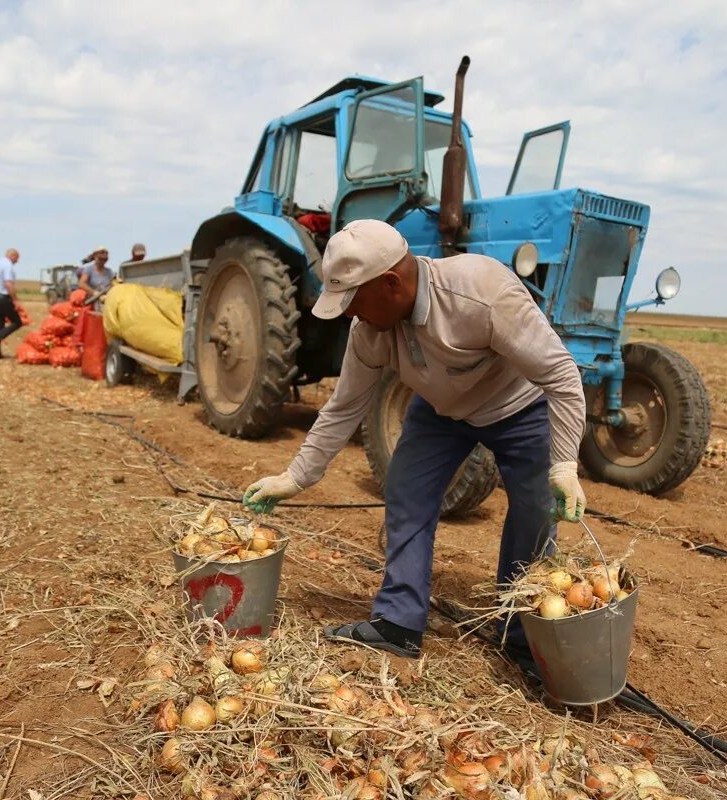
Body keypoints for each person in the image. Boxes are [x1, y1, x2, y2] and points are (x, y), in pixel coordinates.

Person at [242, 220, 586, 674]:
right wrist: (296, 476)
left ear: (391, 283)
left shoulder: (480, 292)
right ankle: (398, 623)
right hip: (441, 412)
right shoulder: (371, 329)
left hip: (518, 408)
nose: (349, 314)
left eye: (353, 301)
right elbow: (344, 407)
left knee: (533, 511)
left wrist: (564, 463)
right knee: (406, 492)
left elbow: (561, 376)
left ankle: (523, 636)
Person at [0, 249, 23, 360]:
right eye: (17, 258)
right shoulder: (7, 265)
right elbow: (8, 284)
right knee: (17, 322)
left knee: (0, 325)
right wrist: (15, 301)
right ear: (12, 256)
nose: (17, 261)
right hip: (3, 298)